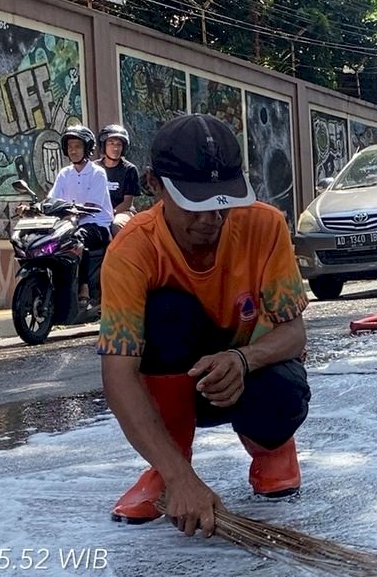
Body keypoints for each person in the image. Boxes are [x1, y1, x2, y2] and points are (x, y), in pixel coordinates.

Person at [98, 114, 310, 536]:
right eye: (194, 204)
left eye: (221, 203)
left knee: (283, 389)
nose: (210, 220)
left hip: (248, 376)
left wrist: (242, 359)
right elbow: (118, 376)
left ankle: (273, 448)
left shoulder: (265, 225)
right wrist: (179, 479)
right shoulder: (132, 250)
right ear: (155, 185)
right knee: (166, 312)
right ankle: (169, 463)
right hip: (181, 383)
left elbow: (295, 334)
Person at [48, 125, 114, 308]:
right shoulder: (64, 173)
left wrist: (70, 210)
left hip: (96, 224)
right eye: (70, 147)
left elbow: (93, 205)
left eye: (77, 146)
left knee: (76, 239)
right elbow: (52, 198)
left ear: (87, 148)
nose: (73, 150)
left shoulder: (97, 173)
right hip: (69, 224)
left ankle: (83, 287)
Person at [98, 123, 141, 233]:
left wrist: (110, 213)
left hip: (122, 211)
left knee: (115, 224)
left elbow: (127, 203)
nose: (115, 148)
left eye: (119, 144)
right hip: (97, 212)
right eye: (111, 143)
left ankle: (120, 250)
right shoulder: (94, 169)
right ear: (104, 146)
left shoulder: (129, 169)